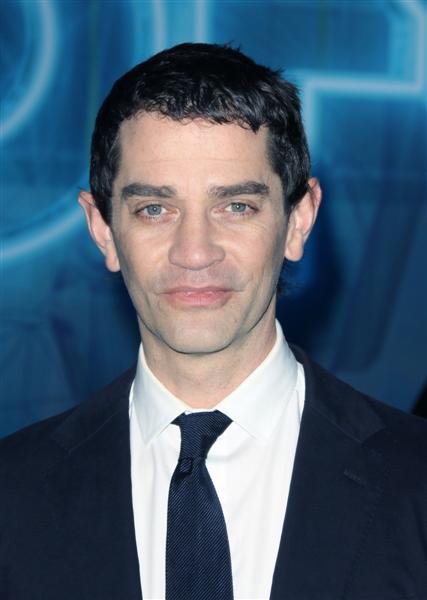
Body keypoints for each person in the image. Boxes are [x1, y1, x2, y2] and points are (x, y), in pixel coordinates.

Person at [1, 42, 426, 600]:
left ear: (298, 220)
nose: (195, 252)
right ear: (103, 230)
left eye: (236, 206)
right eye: (155, 209)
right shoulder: (12, 494)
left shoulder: (416, 479)